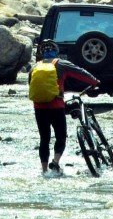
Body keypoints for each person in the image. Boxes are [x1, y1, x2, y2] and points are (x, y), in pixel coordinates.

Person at [28, 39, 100, 176]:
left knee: (44, 138)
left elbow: (31, 87)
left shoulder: (34, 67)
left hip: (39, 107)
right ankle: (55, 162)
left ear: (42, 53)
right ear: (56, 51)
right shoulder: (61, 63)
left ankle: (44, 171)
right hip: (56, 105)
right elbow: (81, 73)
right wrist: (95, 81)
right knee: (60, 136)